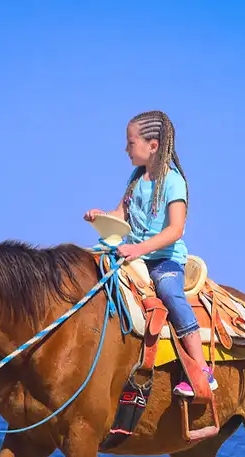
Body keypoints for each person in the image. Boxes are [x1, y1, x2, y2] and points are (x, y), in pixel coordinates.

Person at [84, 110, 217, 397]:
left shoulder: (173, 182)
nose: (126, 149)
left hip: (163, 258)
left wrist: (139, 249)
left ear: (152, 145)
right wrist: (101, 216)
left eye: (131, 143)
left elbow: (175, 230)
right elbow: (121, 213)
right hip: (133, 254)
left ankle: (203, 369)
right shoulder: (136, 178)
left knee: (170, 292)